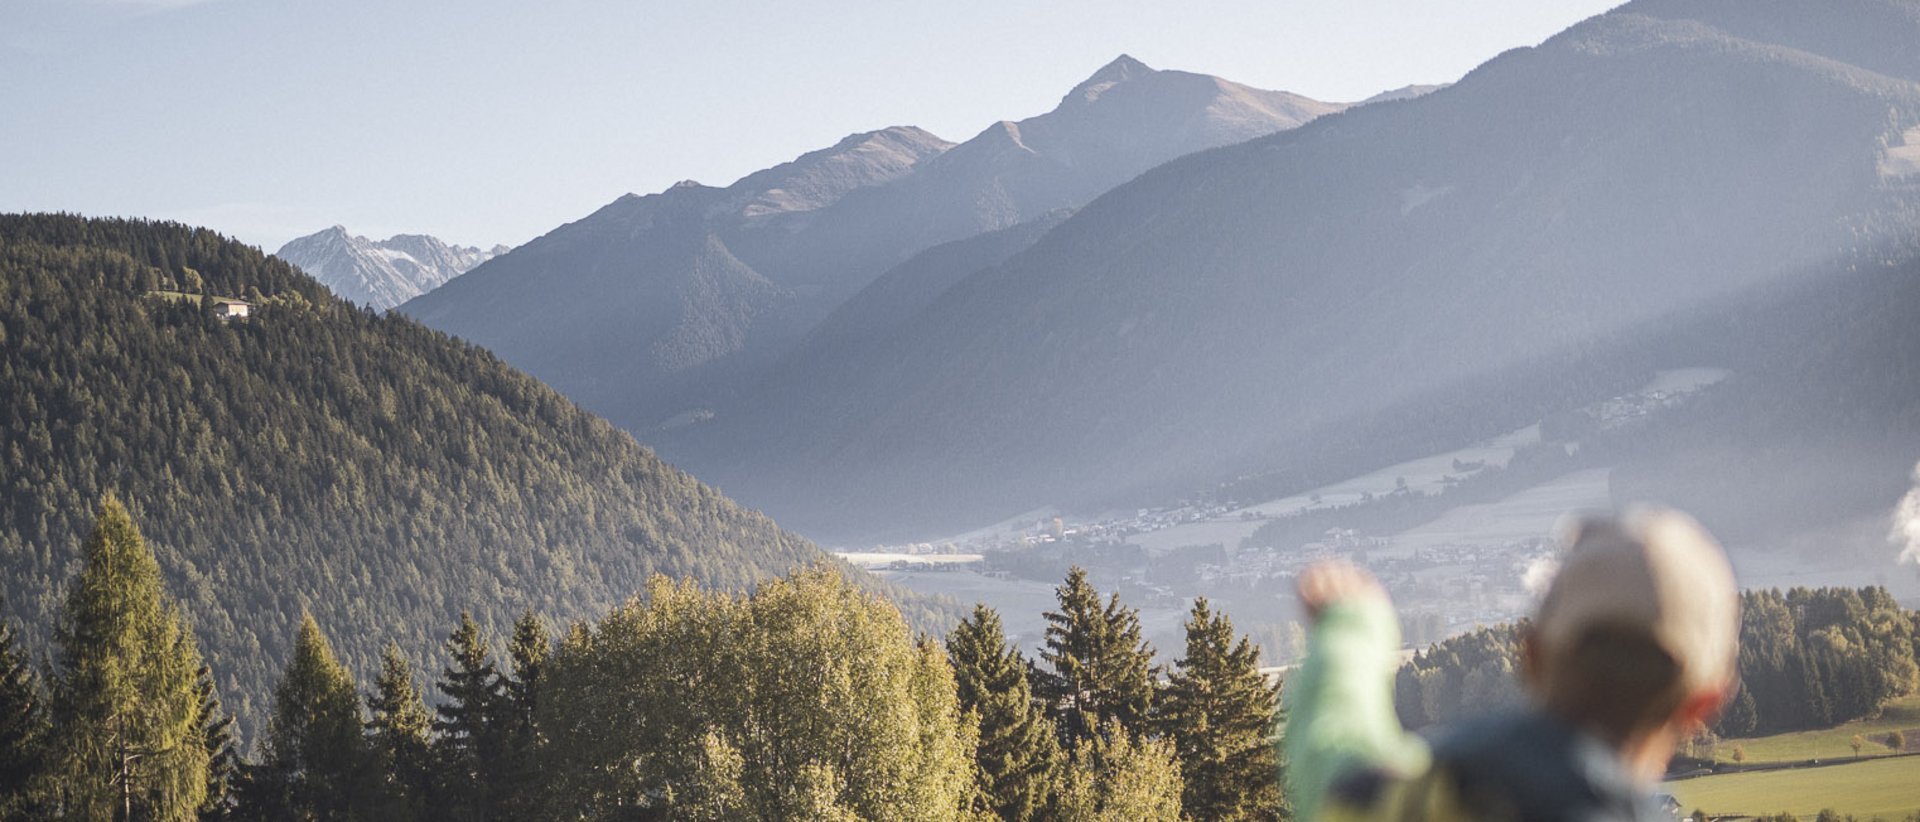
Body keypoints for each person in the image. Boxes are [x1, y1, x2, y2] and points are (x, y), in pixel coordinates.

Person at [1282, 507, 1740, 821]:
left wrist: (1353, 630)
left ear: (1531, 654)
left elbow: (1335, 769)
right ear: (1705, 703)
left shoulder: (1441, 794)